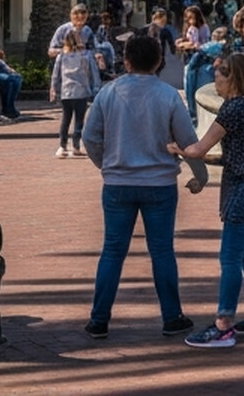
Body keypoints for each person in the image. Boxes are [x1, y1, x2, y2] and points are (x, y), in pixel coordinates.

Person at [82, 32, 202, 340]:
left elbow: (90, 137)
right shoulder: (169, 95)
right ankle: (172, 316)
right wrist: (200, 174)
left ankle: (99, 319)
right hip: (160, 184)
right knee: (162, 251)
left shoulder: (109, 93)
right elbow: (188, 142)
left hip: (118, 183)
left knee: (112, 251)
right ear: (160, 61)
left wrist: (106, 163)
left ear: (126, 61)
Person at [174, 53, 244, 345]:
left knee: (230, 258)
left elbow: (198, 149)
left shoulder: (233, 108)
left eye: (218, 77)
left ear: (230, 77)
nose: (215, 83)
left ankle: (224, 325)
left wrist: (172, 146)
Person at [54, 29, 103, 158]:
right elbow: (94, 74)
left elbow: (56, 75)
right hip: (82, 90)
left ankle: (62, 145)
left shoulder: (61, 56)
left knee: (66, 118)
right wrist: (96, 88)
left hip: (66, 91)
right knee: (79, 120)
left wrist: (54, 88)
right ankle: (76, 145)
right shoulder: (86, 55)